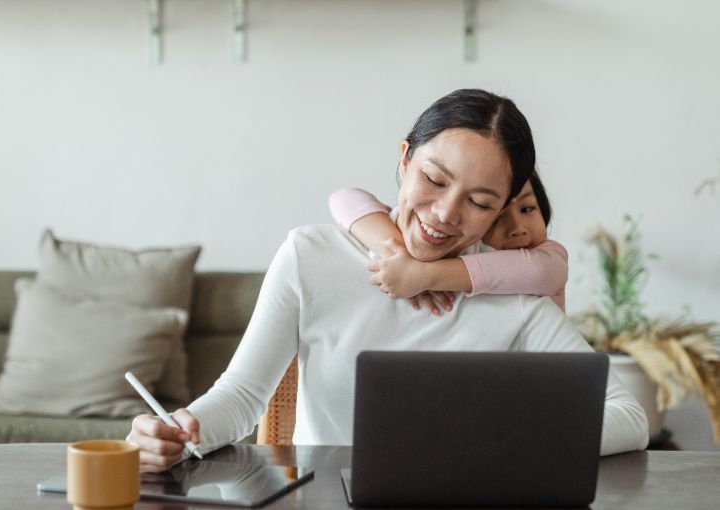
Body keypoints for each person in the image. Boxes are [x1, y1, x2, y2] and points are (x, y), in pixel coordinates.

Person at [128, 89, 648, 472]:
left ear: (502, 210)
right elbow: (242, 397)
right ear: (403, 160)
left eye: (480, 202)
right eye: (434, 179)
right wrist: (177, 430)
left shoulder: (513, 294)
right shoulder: (311, 256)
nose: (445, 214)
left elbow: (628, 416)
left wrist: (511, 439)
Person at [328, 169, 567, 314]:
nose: (517, 229)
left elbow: (542, 273)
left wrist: (424, 274)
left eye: (528, 209)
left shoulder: (549, 256)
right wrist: (399, 254)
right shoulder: (465, 250)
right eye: (497, 217)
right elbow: (344, 197)